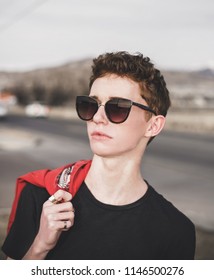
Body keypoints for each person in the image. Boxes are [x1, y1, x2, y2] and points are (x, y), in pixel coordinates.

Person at [2, 51, 196, 260]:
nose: (97, 117)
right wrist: (39, 247)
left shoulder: (175, 230)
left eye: (118, 108)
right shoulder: (40, 195)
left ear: (153, 125)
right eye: (91, 105)